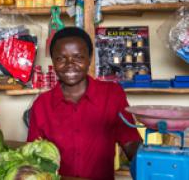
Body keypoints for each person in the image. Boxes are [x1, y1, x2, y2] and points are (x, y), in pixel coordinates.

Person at [27, 27, 142, 180]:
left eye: (78, 57)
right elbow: (32, 156)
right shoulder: (42, 105)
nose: (69, 64)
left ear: (89, 59)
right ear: (53, 61)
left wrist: (151, 167)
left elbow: (130, 142)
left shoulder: (112, 95)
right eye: (61, 58)